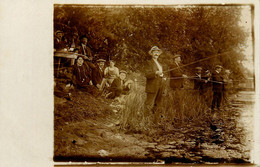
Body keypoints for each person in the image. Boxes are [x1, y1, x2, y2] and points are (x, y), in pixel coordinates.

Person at [144, 46, 166, 124]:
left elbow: (161, 74)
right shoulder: (148, 62)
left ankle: (155, 120)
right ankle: (145, 120)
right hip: (152, 86)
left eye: (157, 52)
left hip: (160, 85)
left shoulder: (160, 64)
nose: (156, 53)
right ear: (151, 53)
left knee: (158, 103)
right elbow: (147, 74)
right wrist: (155, 73)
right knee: (149, 103)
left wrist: (163, 77)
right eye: (154, 52)